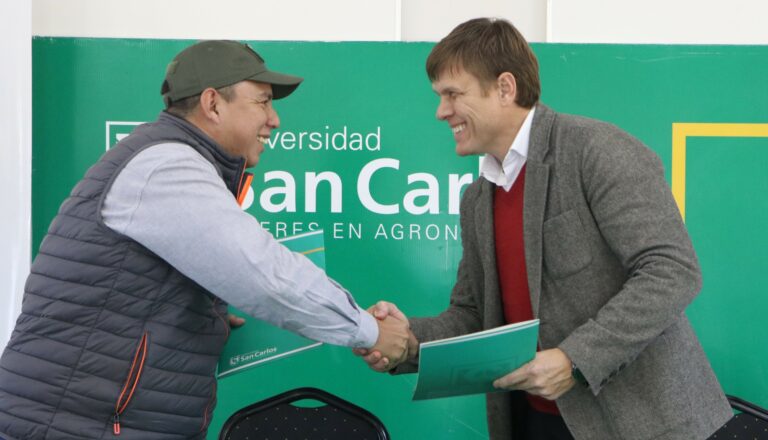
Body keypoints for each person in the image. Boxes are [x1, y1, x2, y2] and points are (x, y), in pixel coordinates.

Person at [0, 40, 409, 440]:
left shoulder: (165, 159)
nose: (275, 120)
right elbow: (265, 275)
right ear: (213, 104)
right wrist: (368, 329)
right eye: (263, 102)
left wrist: (195, 312)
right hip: (75, 426)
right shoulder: (166, 165)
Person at [355, 18, 732, 440]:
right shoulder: (478, 197)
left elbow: (672, 270)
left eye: (452, 94)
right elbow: (475, 316)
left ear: (504, 88)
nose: (441, 111)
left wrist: (575, 359)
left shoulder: (597, 150)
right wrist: (408, 341)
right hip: (535, 423)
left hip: (641, 424)